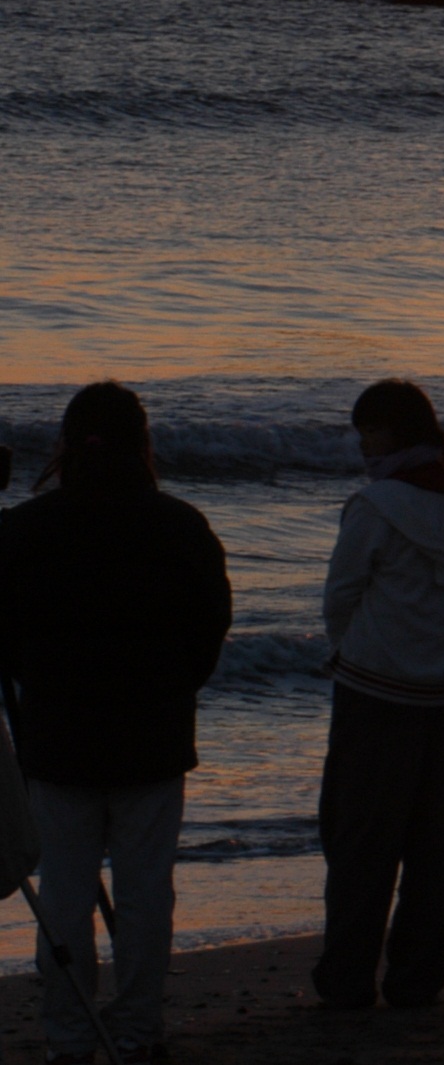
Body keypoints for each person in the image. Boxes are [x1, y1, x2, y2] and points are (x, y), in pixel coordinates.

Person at [0, 383, 233, 1063]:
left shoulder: (23, 529)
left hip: (58, 737)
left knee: (66, 892)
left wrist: (33, 676)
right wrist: (170, 684)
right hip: (153, 736)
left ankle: (70, 1035)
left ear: (67, 445)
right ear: (142, 443)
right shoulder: (180, 525)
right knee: (144, 894)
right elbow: (208, 629)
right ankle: (136, 1030)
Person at [312, 379, 444, 1010]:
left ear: (396, 431)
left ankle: (349, 976)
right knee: (431, 845)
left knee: (360, 841)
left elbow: (341, 595)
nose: (362, 442)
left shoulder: (376, 504)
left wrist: (347, 650)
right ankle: (418, 975)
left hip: (376, 691)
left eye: (371, 429)